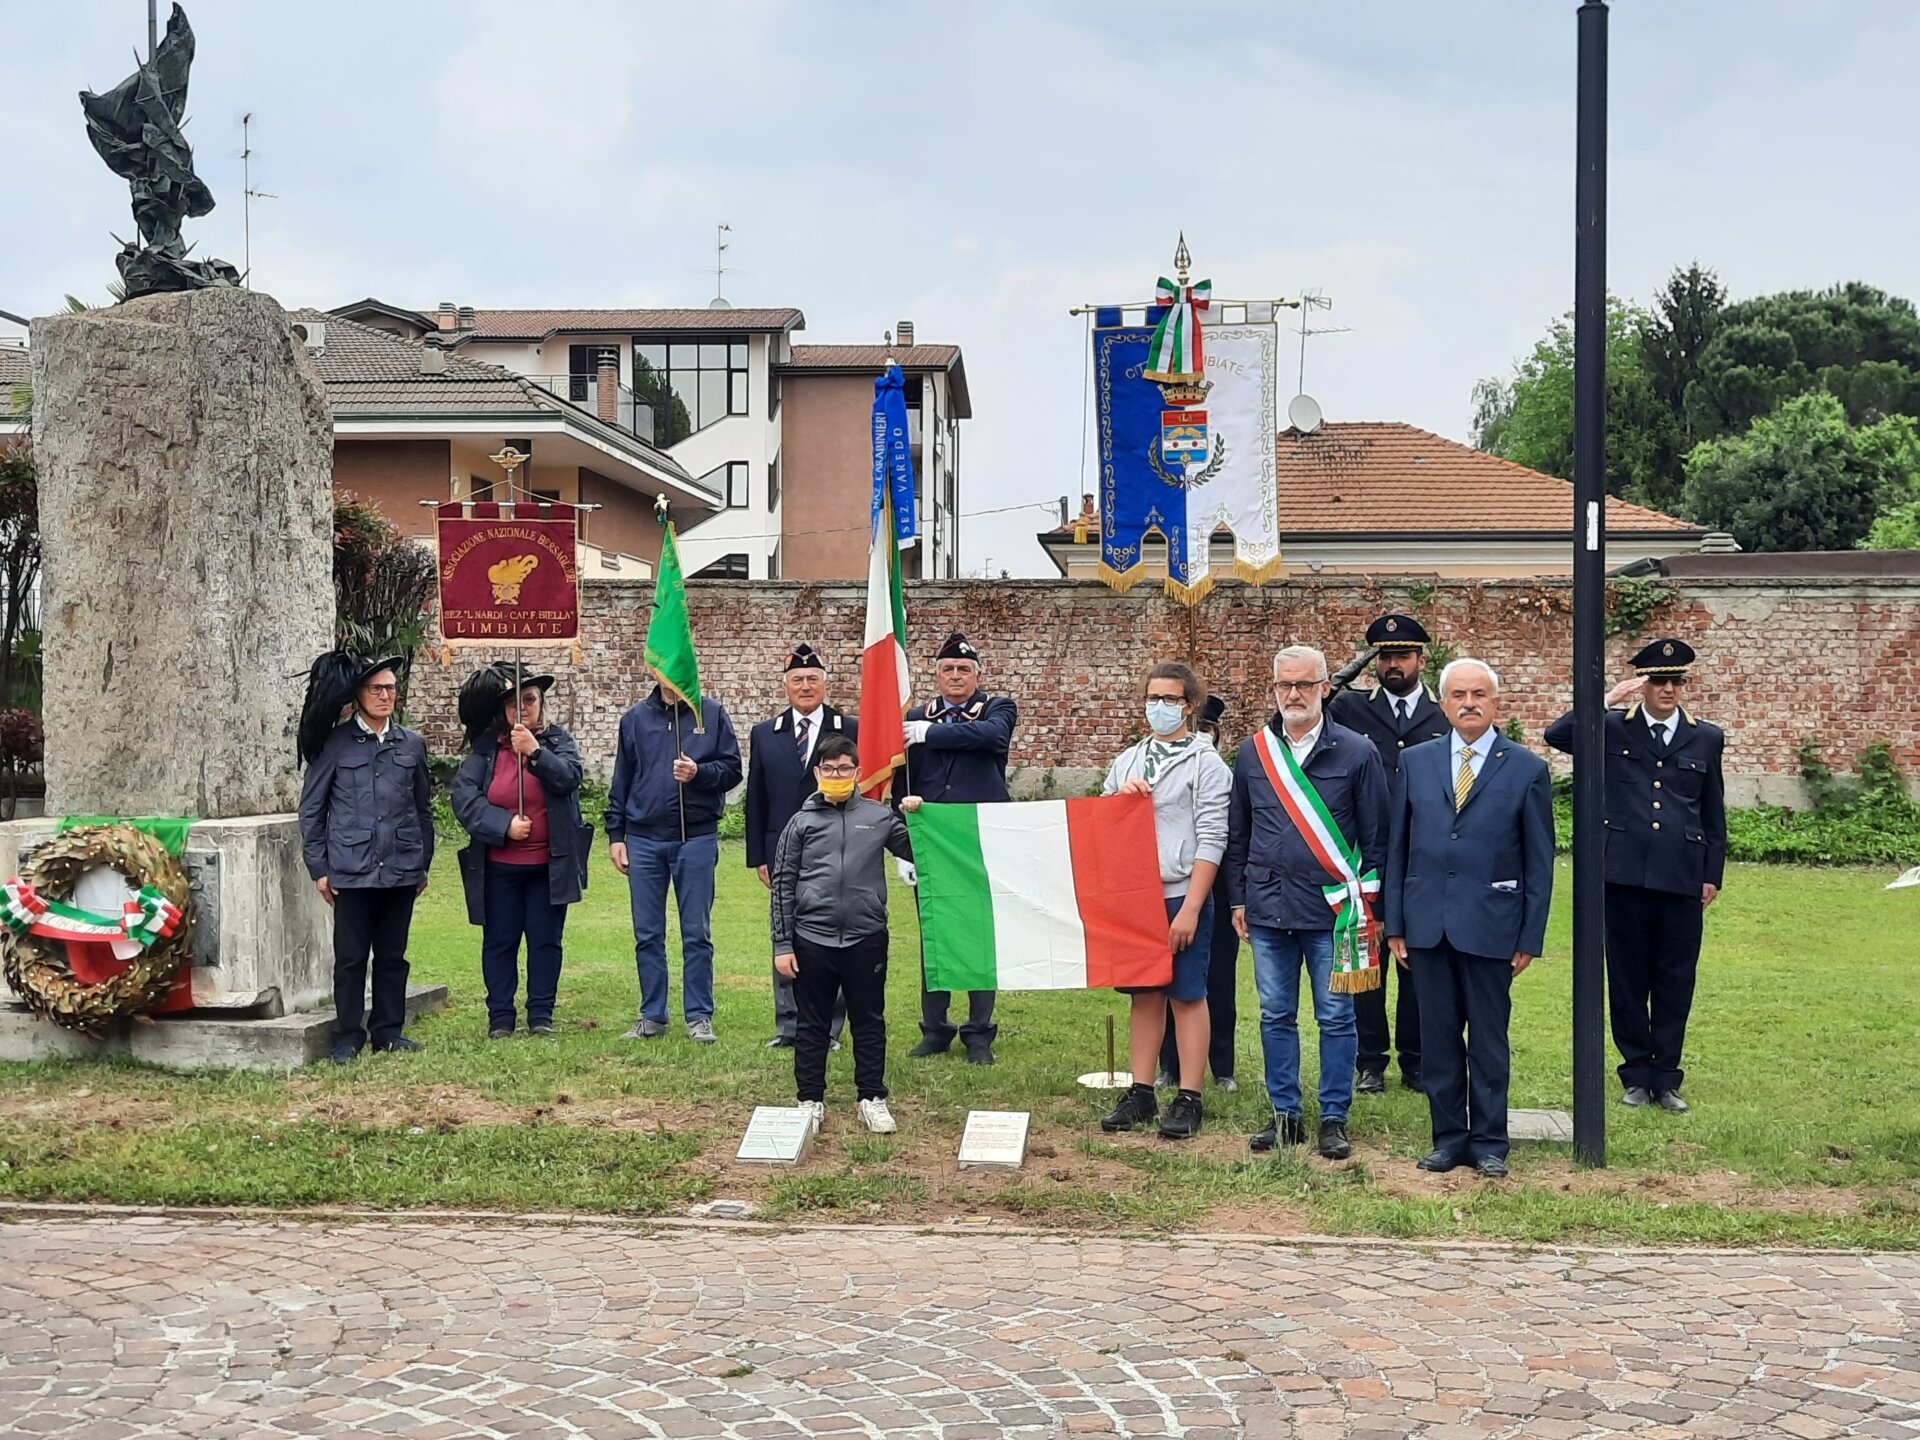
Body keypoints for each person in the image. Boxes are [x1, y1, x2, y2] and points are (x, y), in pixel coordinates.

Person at [1384, 658, 1553, 1179]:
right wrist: (1395, 924)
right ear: (1443, 704)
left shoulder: (1525, 767)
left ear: (1497, 703)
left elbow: (1538, 859)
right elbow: (1398, 847)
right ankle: (1448, 1138)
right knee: (1436, 1039)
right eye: (1458, 695)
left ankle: (1489, 1141)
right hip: (1427, 923)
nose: (1469, 703)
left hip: (1492, 925)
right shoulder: (1417, 761)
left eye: (1479, 694)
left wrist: (1530, 934)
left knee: (1487, 1039)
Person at [1545, 637, 1726, 1113]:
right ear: (1643, 684)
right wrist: (1605, 699)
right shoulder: (1610, 728)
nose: (1669, 689)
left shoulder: (1705, 736)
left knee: (1674, 979)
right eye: (1660, 681)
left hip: (1681, 875)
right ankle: (1635, 1073)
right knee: (1626, 979)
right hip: (1621, 872)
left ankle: (1666, 1076)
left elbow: (1712, 812)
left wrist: (1712, 873)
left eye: (1677, 680)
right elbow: (1557, 735)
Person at [1225, 645, 1390, 1162]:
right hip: (1268, 907)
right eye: (1283, 685)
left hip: (1334, 914)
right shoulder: (1255, 752)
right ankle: (1285, 1113)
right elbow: (1239, 831)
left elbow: (1377, 837)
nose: (1293, 695)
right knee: (1275, 1014)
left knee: (1337, 1017)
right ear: (1273, 689)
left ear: (1324, 688)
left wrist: (1373, 908)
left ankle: (1334, 1116)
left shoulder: (1358, 751)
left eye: (1304, 684)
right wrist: (1237, 898)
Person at [1096, 663, 1233, 1140]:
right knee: (1144, 993)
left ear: (1189, 706)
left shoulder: (1206, 763)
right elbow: (1102, 820)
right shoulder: (1128, 760)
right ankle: (1141, 1089)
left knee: (1187, 993)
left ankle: (1190, 1095)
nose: (1159, 707)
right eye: (1153, 698)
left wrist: (1193, 906)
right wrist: (1120, 801)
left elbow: (1213, 837)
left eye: (1170, 700)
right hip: (1136, 897)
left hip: (1181, 893)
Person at [1328, 613, 1450, 1096]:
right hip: (1366, 853)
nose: (1392, 664)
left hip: (1423, 854)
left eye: (1402, 655)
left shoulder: (1443, 717)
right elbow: (1305, 715)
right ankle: (1371, 1059)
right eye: (1383, 656)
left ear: (1422, 659)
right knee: (1366, 954)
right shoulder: (1352, 710)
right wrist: (1341, 678)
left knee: (1416, 959)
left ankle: (1416, 1060)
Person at [771, 733, 915, 1134]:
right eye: (829, 768)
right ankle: (809, 1099)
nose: (837, 775)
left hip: (865, 937)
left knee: (868, 1019)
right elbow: (782, 884)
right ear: (818, 772)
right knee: (811, 1023)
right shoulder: (801, 823)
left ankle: (871, 1096)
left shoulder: (879, 817)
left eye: (845, 768)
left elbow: (919, 849)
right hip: (811, 937)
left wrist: (916, 814)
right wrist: (783, 943)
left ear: (858, 772)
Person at [297, 652, 434, 1064]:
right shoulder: (336, 745)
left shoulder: (411, 743)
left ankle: (389, 1031)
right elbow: (312, 810)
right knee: (352, 959)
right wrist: (320, 869)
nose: (385, 695)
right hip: (351, 871)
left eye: (391, 688)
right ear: (358, 694)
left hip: (400, 868)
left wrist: (422, 861)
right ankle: (347, 1037)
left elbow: (422, 807)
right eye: (376, 688)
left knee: (393, 957)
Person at [450, 662, 591, 1040]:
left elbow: (569, 778)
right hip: (499, 867)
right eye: (514, 703)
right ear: (503, 711)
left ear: (541, 703)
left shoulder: (557, 741)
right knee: (500, 940)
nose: (522, 708)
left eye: (529, 700)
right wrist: (503, 825)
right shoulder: (487, 751)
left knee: (545, 940)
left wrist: (535, 753)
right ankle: (501, 1017)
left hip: (549, 864)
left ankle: (541, 1013)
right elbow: (464, 799)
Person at [899, 632, 1017, 1065]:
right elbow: (903, 781)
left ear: (977, 675)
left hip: (982, 837)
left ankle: (979, 1032)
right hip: (931, 839)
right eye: (947, 669)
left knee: (979, 934)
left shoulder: (996, 708)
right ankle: (935, 1028)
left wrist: (931, 734)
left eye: (964, 669)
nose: (955, 676)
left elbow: (990, 737)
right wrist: (902, 846)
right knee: (935, 933)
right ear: (937, 675)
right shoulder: (915, 715)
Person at [605, 676, 743, 1042]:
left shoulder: (710, 714)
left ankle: (699, 1015)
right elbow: (622, 779)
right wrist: (616, 835)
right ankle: (653, 1015)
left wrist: (699, 774)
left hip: (695, 837)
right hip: (644, 839)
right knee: (647, 933)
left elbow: (732, 770)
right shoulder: (635, 718)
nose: (668, 678)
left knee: (696, 933)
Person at [745, 643, 855, 1050]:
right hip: (783, 849)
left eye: (812, 679)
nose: (805, 686)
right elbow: (757, 796)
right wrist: (758, 854)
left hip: (836, 846)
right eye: (797, 680)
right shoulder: (764, 733)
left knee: (835, 937)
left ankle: (828, 1029)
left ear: (825, 684)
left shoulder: (849, 728)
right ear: (786, 686)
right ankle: (789, 1025)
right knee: (786, 932)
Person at [1157, 695, 1243, 1092]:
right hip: (1172, 885)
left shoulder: (1223, 773)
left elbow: (1234, 835)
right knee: (1167, 980)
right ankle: (1169, 1064)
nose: (1203, 738)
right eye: (1198, 731)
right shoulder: (1164, 772)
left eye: (1208, 732)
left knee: (1219, 980)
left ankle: (1222, 1065)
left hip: (1218, 888)